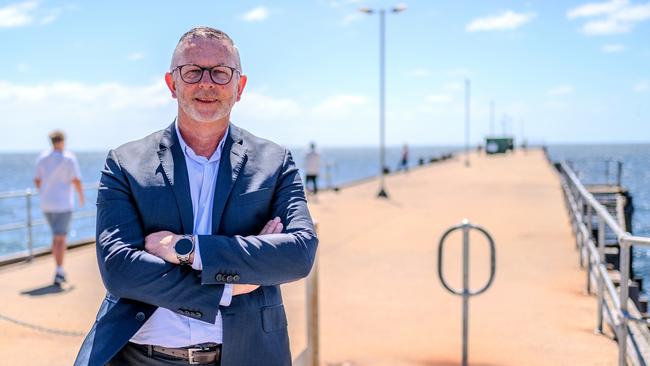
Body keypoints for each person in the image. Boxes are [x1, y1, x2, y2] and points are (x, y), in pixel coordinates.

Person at [74, 27, 318, 366]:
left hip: (249, 356)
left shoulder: (275, 162)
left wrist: (184, 249)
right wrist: (228, 287)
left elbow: (299, 254)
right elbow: (119, 270)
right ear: (172, 83)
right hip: (138, 358)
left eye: (220, 72)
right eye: (192, 71)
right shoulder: (125, 162)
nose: (206, 83)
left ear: (239, 87)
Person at [34, 130, 84, 286]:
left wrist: (45, 192)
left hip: (46, 203)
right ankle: (59, 271)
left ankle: (58, 267)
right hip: (63, 204)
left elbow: (37, 181)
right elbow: (76, 180)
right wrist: (81, 197)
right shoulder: (69, 158)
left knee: (56, 236)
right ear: (63, 140)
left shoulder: (42, 157)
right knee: (61, 238)